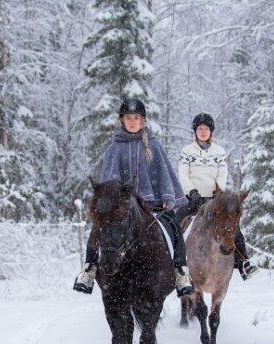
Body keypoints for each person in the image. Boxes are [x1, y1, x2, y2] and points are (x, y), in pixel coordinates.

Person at [73, 98, 195, 297]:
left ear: (142, 121)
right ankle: (89, 269)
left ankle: (181, 272)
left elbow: (163, 173)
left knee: (173, 227)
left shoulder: (152, 146)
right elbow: (109, 180)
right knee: (99, 228)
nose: (132, 121)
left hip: (151, 205)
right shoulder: (115, 148)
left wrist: (167, 196)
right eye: (128, 118)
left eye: (136, 118)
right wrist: (113, 200)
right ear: (122, 120)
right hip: (121, 207)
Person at [177, 113, 258, 280]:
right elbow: (183, 174)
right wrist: (192, 192)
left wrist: (218, 193)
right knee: (176, 222)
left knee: (232, 226)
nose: (203, 131)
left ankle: (244, 263)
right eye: (200, 129)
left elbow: (222, 173)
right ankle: (175, 262)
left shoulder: (219, 151)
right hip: (193, 199)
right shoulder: (187, 151)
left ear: (211, 131)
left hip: (214, 200)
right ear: (195, 131)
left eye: (206, 128)